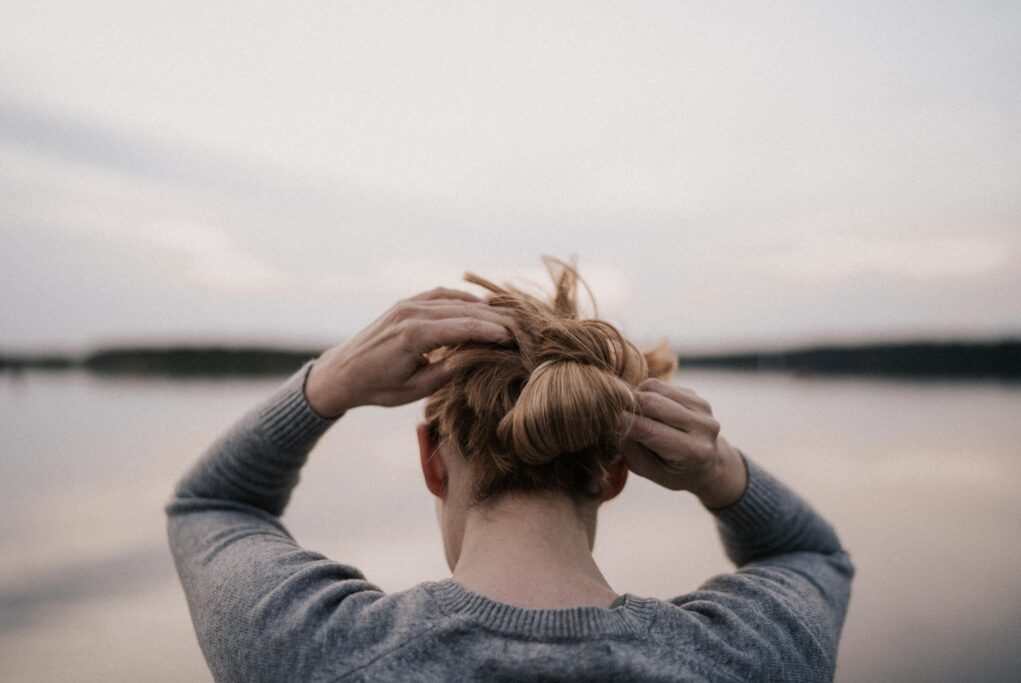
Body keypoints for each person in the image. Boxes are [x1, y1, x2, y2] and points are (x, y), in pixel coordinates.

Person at [166, 259, 853, 682]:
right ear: (615, 475)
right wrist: (718, 471)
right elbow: (810, 551)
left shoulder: (318, 652)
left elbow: (211, 504)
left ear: (432, 461)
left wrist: (327, 384)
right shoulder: (750, 657)